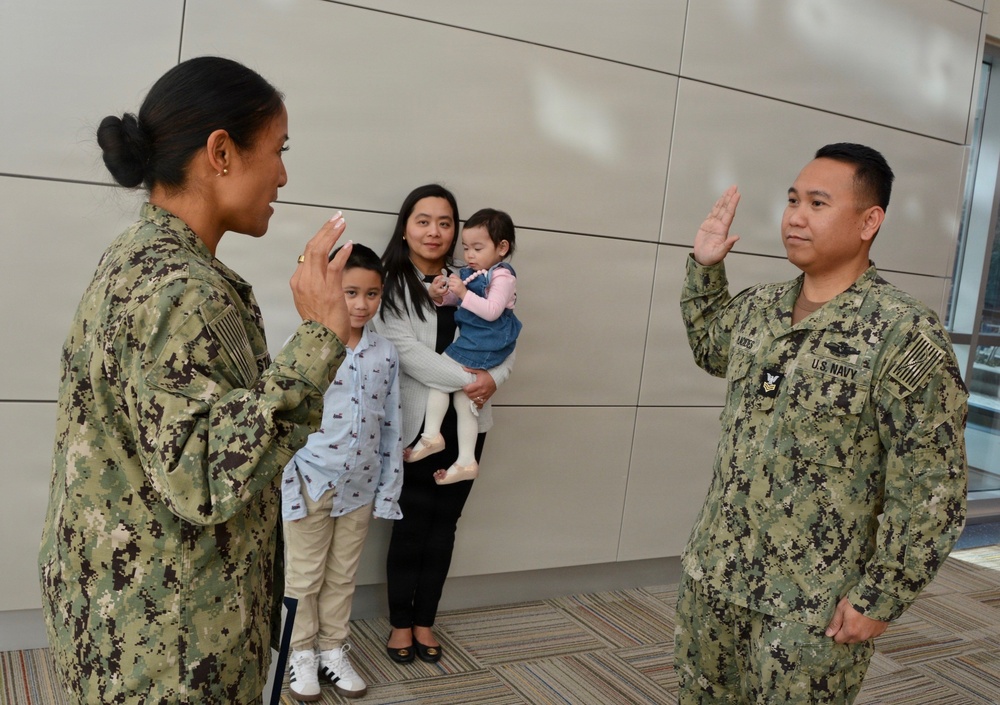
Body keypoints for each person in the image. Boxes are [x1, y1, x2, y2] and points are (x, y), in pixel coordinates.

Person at [37, 56, 354, 705]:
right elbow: (208, 475)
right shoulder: (182, 292)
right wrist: (321, 337)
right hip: (170, 653)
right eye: (277, 150)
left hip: (131, 624)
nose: (284, 174)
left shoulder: (138, 260)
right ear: (221, 152)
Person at [675, 143, 969, 704]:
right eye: (791, 200)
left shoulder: (902, 333)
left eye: (816, 202)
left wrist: (880, 597)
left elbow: (932, 488)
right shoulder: (761, 306)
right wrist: (706, 269)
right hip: (715, 576)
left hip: (810, 605)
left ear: (869, 221)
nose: (795, 216)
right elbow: (712, 349)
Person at [373, 184, 515, 664]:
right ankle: (398, 624)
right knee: (411, 524)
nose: (435, 231)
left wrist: (492, 380)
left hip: (471, 421)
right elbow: (407, 354)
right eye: (423, 220)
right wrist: (470, 379)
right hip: (418, 423)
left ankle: (424, 621)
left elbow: (505, 339)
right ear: (406, 226)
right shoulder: (390, 283)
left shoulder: (476, 278)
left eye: (445, 222)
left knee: (445, 524)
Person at [281, 244, 403, 701]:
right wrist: (286, 482)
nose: (361, 303)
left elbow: (391, 424)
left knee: (341, 576)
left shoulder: (385, 354)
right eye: (351, 291)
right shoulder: (308, 347)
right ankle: (301, 655)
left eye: (372, 294)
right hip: (311, 481)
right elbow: (284, 419)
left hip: (360, 487)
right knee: (304, 577)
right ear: (331, 289)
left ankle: (333, 649)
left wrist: (389, 488)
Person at [408, 208, 522, 484]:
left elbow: (492, 310)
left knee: (439, 379)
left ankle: (432, 435)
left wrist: (461, 292)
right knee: (464, 398)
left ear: (502, 247)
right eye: (466, 248)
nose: (469, 255)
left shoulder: (502, 276)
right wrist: (442, 296)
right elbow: (461, 303)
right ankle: (466, 461)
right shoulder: (475, 272)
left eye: (477, 248)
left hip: (483, 341)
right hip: (478, 339)